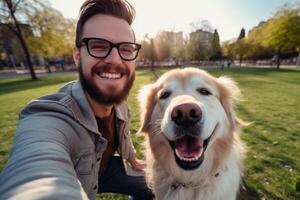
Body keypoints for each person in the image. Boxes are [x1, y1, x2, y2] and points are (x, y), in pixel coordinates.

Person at [0, 0, 154, 199]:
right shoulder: (51, 117)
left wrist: (132, 159)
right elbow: (36, 170)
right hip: (76, 179)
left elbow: (124, 136)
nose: (115, 60)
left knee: (150, 182)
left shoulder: (120, 102)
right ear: (77, 56)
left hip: (105, 170)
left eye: (126, 49)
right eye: (98, 46)